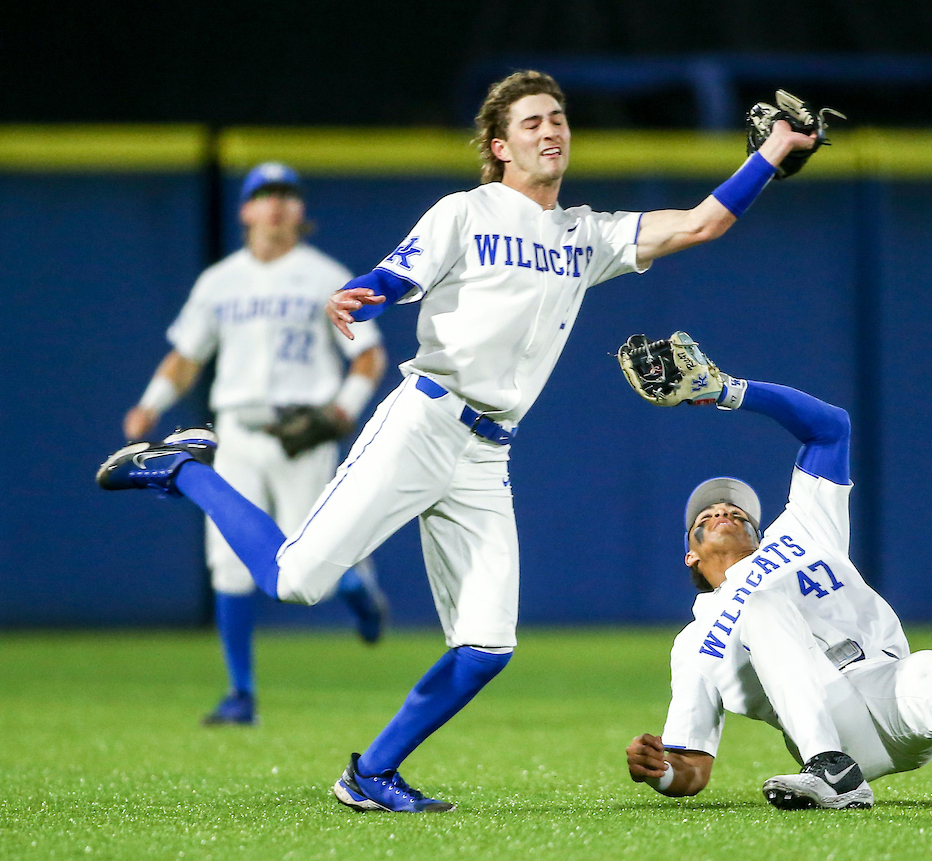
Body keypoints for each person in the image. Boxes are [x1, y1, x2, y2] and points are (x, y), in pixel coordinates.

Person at [97, 70, 821, 812]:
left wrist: (772, 153)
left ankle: (370, 774)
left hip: (486, 452)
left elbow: (702, 221)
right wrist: (366, 290)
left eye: (559, 118)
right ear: (499, 145)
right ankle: (186, 469)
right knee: (294, 580)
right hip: (423, 421)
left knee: (487, 646)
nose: (551, 130)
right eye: (533, 122)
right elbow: (396, 273)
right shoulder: (465, 211)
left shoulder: (585, 234)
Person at [623, 367, 932, 810]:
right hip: (833, 729)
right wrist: (660, 771)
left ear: (758, 533)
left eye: (737, 509)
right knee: (759, 608)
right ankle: (829, 767)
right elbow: (692, 763)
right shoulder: (694, 641)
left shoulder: (802, 532)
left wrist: (727, 389)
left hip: (888, 685)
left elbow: (830, 428)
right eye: (705, 515)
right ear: (690, 555)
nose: (723, 508)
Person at [121, 162, 389, 726]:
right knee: (229, 565)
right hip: (235, 435)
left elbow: (368, 353)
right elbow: (187, 356)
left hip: (301, 434)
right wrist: (150, 403)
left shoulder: (325, 276)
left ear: (299, 210)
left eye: (287, 195)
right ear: (245, 210)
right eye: (265, 194)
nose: (276, 204)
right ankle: (240, 695)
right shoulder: (220, 282)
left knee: (314, 557)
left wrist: (343, 409)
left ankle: (358, 590)